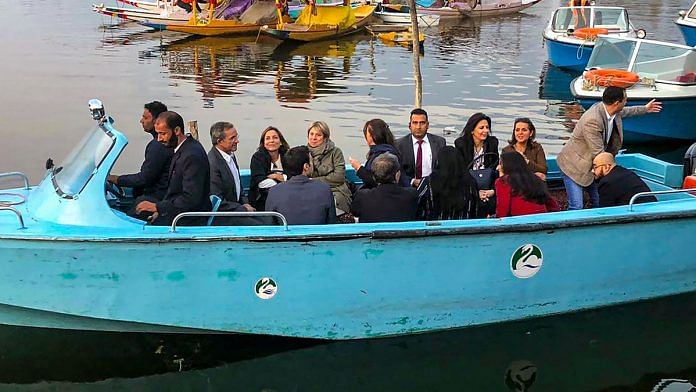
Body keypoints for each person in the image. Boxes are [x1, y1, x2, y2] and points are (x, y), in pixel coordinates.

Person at [556, 86, 662, 210]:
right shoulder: (593, 120)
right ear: (617, 102)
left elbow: (626, 111)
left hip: (595, 167)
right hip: (574, 166)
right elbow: (599, 153)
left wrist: (645, 109)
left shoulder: (611, 110)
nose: (626, 101)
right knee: (576, 206)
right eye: (625, 99)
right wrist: (615, 173)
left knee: (599, 201)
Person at [135, 111, 212, 226]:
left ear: (177, 131)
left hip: (189, 219)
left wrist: (158, 207)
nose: (159, 139)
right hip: (178, 211)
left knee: (137, 217)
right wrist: (160, 210)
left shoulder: (191, 156)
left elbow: (191, 198)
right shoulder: (182, 148)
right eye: (157, 134)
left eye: (163, 134)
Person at [107, 101, 172, 202]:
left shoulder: (158, 146)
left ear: (157, 121)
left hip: (156, 197)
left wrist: (116, 179)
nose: (141, 121)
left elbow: (144, 179)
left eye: (146, 118)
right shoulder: (161, 143)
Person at [265, 146, 336, 225]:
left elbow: (270, 225)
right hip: (317, 236)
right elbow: (331, 223)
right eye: (311, 162)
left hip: (286, 236)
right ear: (306, 167)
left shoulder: (274, 192)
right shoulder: (324, 189)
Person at [207, 122, 256, 225]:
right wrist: (243, 209)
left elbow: (239, 187)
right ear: (219, 141)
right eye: (232, 138)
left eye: (236, 136)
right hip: (224, 218)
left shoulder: (231, 156)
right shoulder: (212, 164)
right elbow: (217, 201)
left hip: (238, 211)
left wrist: (246, 204)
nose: (237, 141)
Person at [454, 112, 499, 218]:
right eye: (481, 128)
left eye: (487, 127)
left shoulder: (492, 143)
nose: (485, 131)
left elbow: (494, 169)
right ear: (472, 130)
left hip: (488, 185)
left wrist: (492, 191)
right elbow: (460, 172)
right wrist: (475, 192)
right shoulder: (461, 144)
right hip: (468, 185)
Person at [351, 153, 419, 223]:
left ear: (374, 177)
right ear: (397, 175)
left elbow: (355, 212)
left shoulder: (362, 196)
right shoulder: (411, 194)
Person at [417, 146, 479, 220]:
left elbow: (417, 204)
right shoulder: (471, 183)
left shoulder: (427, 182)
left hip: (433, 227)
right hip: (463, 227)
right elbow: (475, 210)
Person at [306, 121, 352, 216]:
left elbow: (338, 177)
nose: (314, 138)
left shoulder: (336, 152)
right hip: (311, 189)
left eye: (318, 135)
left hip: (335, 189)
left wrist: (313, 181)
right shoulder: (303, 152)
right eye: (311, 134)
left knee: (335, 201)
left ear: (325, 137)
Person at [495, 152, 559, 218]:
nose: (498, 167)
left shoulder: (503, 181)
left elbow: (503, 207)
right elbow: (551, 203)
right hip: (542, 217)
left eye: (500, 164)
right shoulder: (535, 177)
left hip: (519, 220)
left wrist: (497, 221)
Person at [349, 119, 409, 189]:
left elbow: (377, 182)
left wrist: (359, 169)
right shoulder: (389, 150)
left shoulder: (385, 155)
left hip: (385, 194)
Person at [395, 108, 447, 188]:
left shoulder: (439, 142)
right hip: (408, 188)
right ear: (410, 126)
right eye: (415, 123)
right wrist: (412, 181)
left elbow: (443, 168)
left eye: (422, 123)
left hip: (433, 188)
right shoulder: (399, 145)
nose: (418, 127)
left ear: (427, 125)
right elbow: (397, 170)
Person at [592, 152, 657, 207]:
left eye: (595, 167)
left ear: (606, 167)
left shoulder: (607, 182)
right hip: (652, 205)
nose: (592, 171)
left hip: (637, 212)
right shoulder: (625, 172)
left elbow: (605, 209)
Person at [249, 126, 290, 211]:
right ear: (263, 143)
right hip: (261, 199)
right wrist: (284, 182)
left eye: (275, 138)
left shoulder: (288, 156)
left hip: (287, 198)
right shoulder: (257, 158)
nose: (271, 141)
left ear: (281, 142)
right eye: (267, 138)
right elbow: (260, 181)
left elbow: (295, 176)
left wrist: (277, 176)